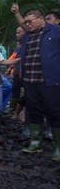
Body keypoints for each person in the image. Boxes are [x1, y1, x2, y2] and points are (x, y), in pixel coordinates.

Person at [18, 9, 60, 161]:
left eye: (30, 21)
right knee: (34, 112)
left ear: (41, 18)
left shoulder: (55, 31)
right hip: (30, 81)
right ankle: (35, 142)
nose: (27, 24)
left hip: (50, 81)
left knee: (54, 112)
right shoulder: (27, 36)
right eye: (26, 22)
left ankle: (58, 147)